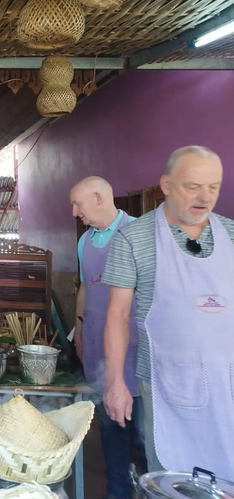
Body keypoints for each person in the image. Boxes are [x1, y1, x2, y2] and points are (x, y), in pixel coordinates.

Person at [102, 146, 234, 476]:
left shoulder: (232, 234)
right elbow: (117, 315)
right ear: (166, 184)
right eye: (193, 186)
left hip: (228, 378)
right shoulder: (134, 238)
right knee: (171, 473)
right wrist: (115, 382)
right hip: (166, 381)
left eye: (213, 187)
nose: (205, 197)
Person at [70, 176, 144, 499]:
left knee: (143, 437)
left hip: (135, 356)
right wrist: (79, 331)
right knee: (112, 435)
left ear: (98, 198)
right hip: (98, 353)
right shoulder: (84, 242)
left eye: (78, 204)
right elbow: (85, 287)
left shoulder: (139, 234)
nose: (74, 212)